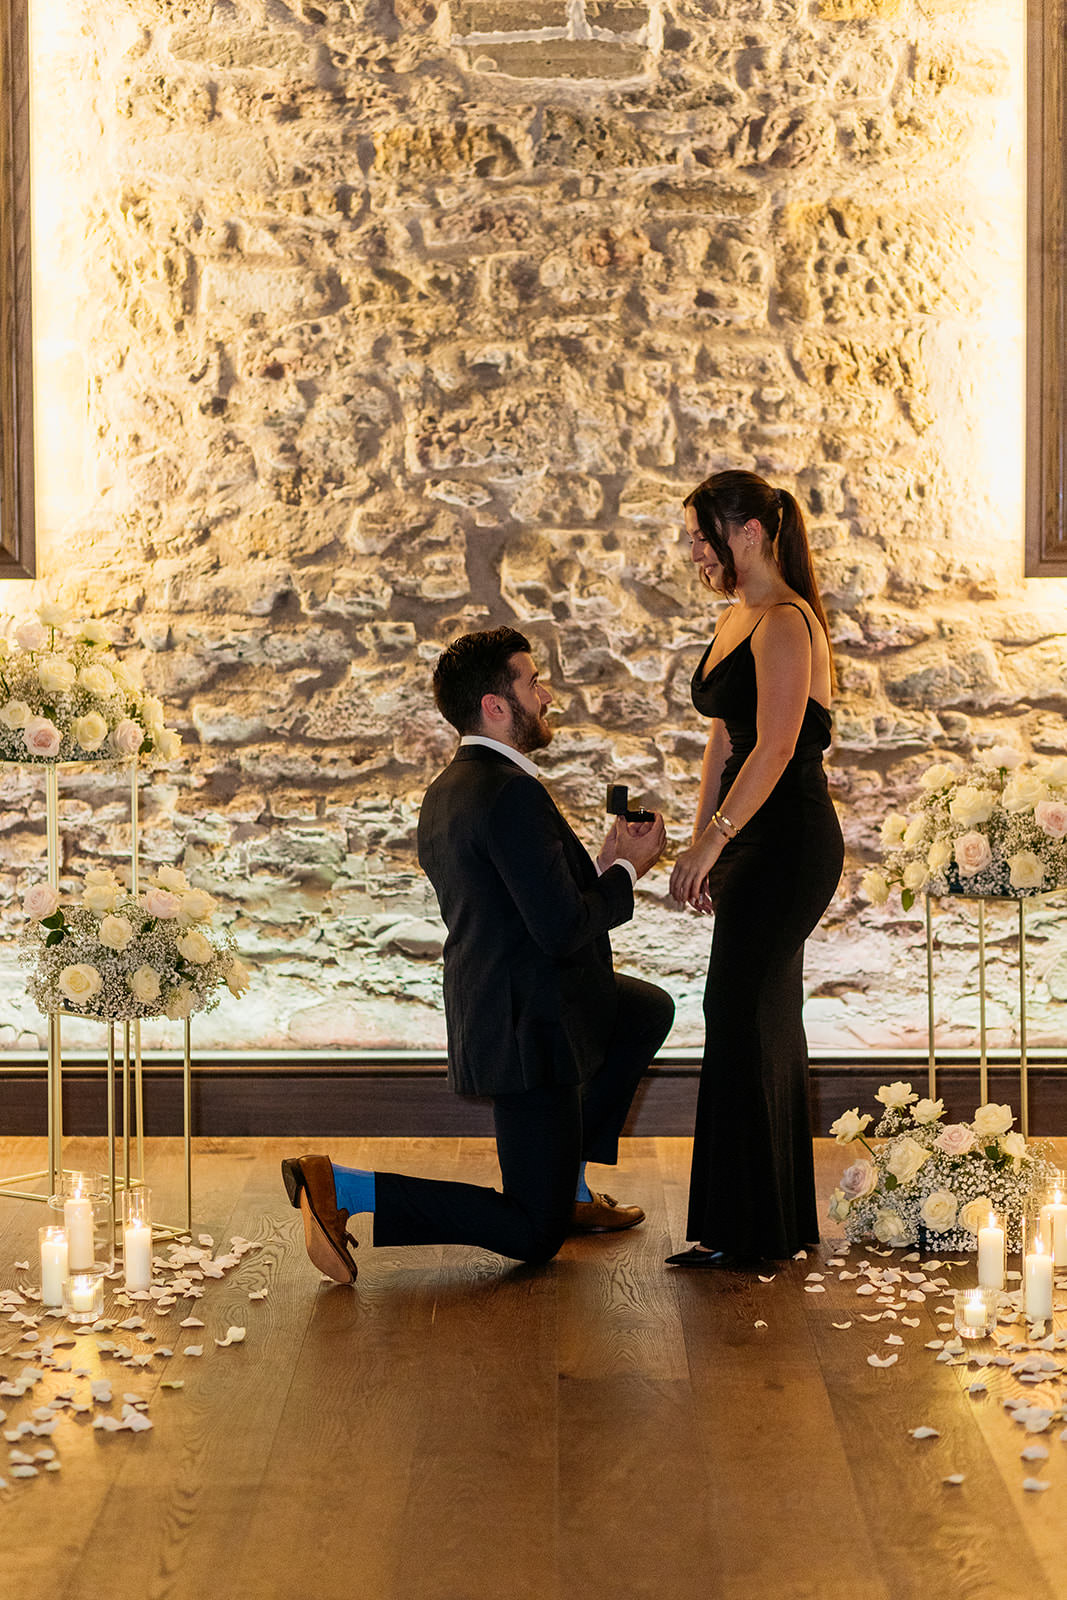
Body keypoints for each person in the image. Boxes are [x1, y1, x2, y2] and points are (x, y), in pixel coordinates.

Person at [282, 626, 675, 1283]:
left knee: (642, 1009)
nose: (546, 696)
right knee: (534, 1233)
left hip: (505, 1006)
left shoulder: (452, 787)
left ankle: (572, 1185)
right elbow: (559, 929)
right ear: (496, 705)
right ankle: (342, 1186)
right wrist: (629, 870)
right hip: (530, 1031)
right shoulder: (509, 791)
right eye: (533, 683)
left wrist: (605, 865)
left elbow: (519, 904)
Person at [666, 471, 844, 1268]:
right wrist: (702, 835)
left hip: (790, 843)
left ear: (747, 532)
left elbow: (774, 747)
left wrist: (713, 841)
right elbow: (725, 737)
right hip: (749, 838)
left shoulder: (783, 622)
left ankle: (749, 1231)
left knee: (740, 1011)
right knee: (758, 1015)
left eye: (701, 538)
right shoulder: (736, 615)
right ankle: (764, 1225)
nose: (694, 554)